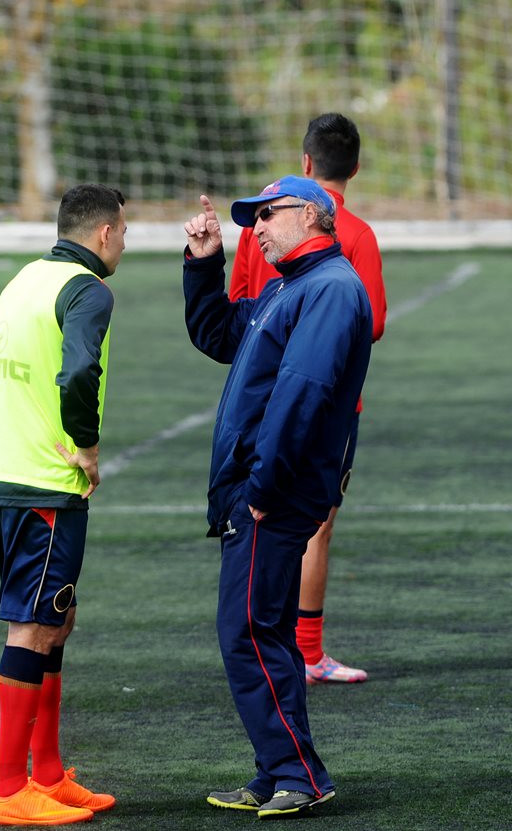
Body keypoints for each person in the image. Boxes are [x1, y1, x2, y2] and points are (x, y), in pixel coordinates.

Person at [182, 176, 373, 819]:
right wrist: (206, 262)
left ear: (313, 217)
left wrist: (262, 487)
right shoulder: (290, 287)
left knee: (246, 633)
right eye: (250, 219)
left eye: (267, 215)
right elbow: (216, 335)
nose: (254, 229)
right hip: (265, 487)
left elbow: (304, 392)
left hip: (274, 493)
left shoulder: (327, 289)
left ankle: (298, 773)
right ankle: (279, 770)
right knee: (264, 633)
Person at [0, 183, 125, 827]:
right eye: (124, 233)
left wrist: (5, 429)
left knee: (56, 618)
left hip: (9, 474)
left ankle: (49, 775)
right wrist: (82, 444)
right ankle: (7, 790)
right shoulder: (88, 290)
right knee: (32, 625)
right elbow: (81, 369)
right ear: (107, 233)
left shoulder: (23, 280)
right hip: (45, 485)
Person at [228, 113, 386, 685]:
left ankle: (264, 641)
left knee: (252, 519)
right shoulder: (357, 235)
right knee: (314, 524)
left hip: (253, 400)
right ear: (357, 167)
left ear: (305, 164)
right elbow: (370, 322)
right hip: (327, 411)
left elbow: (238, 309)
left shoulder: (258, 228)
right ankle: (306, 651)